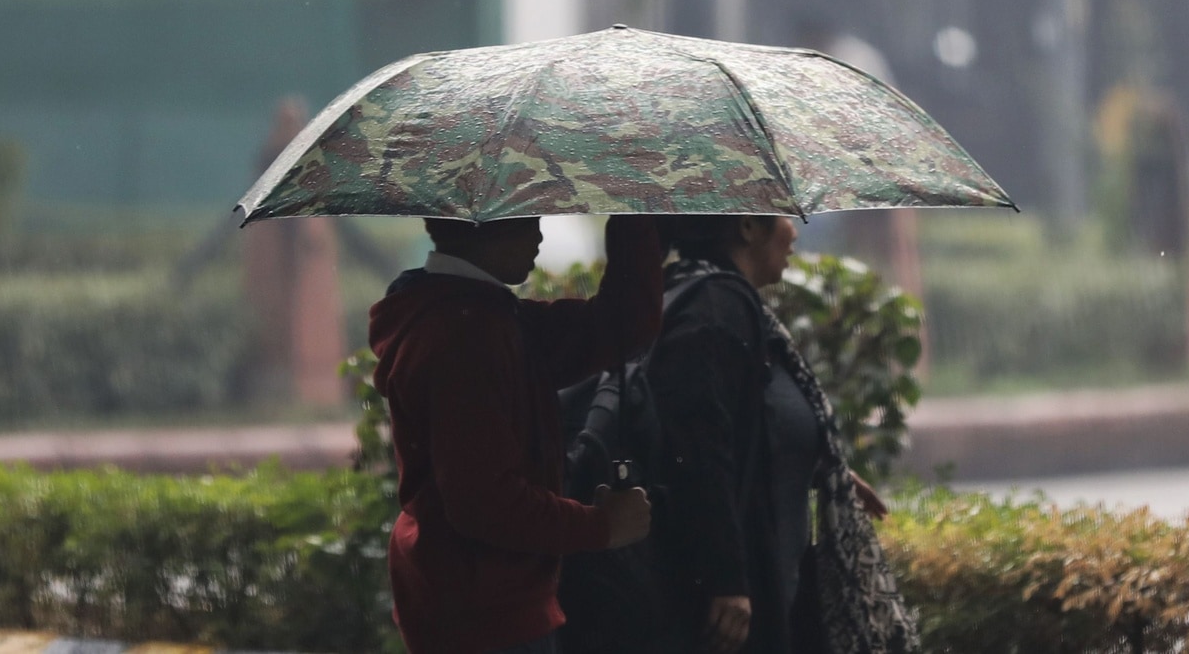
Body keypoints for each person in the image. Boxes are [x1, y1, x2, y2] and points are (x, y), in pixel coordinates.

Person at [369, 214, 664, 654]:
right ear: (484, 226)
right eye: (527, 222)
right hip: (484, 617)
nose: (539, 236)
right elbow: (485, 502)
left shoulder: (482, 317)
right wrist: (602, 526)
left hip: (480, 604)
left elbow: (619, 325)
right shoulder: (464, 336)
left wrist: (633, 212)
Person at [647, 214, 920, 654]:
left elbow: (753, 428)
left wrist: (816, 465)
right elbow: (700, 450)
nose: (794, 231)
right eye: (783, 217)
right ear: (748, 227)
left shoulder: (727, 302)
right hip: (729, 613)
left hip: (762, 589)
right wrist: (726, 581)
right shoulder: (713, 307)